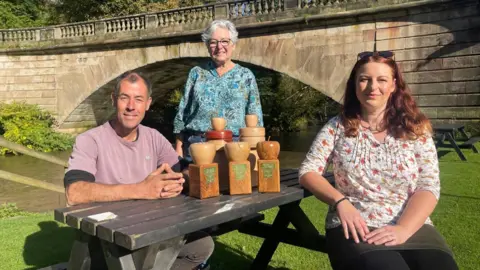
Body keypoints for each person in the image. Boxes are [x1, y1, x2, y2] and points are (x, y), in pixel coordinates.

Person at [298, 51, 458, 270]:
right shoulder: (337, 127)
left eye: (381, 80)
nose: (373, 87)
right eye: (364, 79)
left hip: (410, 224)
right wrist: (340, 202)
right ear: (354, 85)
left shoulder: (415, 129)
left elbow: (428, 185)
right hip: (355, 224)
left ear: (393, 85)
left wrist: (403, 228)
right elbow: (309, 171)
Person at [64, 71, 213, 270]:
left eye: (138, 99)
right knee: (145, 258)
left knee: (202, 246)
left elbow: (184, 171)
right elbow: (74, 193)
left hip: (150, 229)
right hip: (107, 241)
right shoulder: (89, 140)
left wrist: (177, 183)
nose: (131, 107)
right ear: (113, 100)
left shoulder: (154, 137)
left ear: (148, 104)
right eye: (124, 98)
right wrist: (142, 190)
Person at [173, 19, 264, 159]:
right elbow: (182, 112)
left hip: (234, 148)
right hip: (197, 146)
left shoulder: (246, 76)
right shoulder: (196, 73)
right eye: (213, 42)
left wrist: (256, 153)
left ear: (233, 45)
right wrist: (178, 148)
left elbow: (255, 117)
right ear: (207, 46)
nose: (219, 46)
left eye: (224, 41)